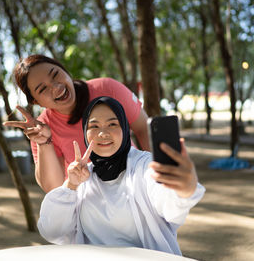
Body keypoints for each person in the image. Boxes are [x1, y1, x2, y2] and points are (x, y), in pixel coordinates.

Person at [37, 97, 205, 255]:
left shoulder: (144, 165)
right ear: (84, 133)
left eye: (112, 124)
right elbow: (52, 231)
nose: (103, 133)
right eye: (94, 126)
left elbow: (168, 206)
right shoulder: (81, 177)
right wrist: (71, 186)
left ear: (125, 128)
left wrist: (183, 190)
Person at [3, 55, 150, 193]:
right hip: (90, 205)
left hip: (135, 186)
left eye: (55, 75)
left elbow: (144, 128)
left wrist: (156, 176)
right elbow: (53, 187)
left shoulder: (107, 88)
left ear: (65, 71)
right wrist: (44, 143)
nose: (55, 87)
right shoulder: (42, 128)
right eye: (42, 89)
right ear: (36, 102)